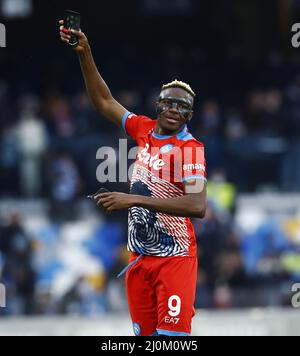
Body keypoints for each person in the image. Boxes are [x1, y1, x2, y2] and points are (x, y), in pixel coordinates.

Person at [59, 21, 207, 337]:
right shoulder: (143, 129)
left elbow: (198, 205)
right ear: (157, 104)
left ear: (189, 116)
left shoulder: (190, 149)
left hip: (174, 259)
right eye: (168, 101)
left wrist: (132, 199)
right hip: (139, 259)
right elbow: (103, 101)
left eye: (182, 106)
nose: (173, 109)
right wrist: (85, 53)